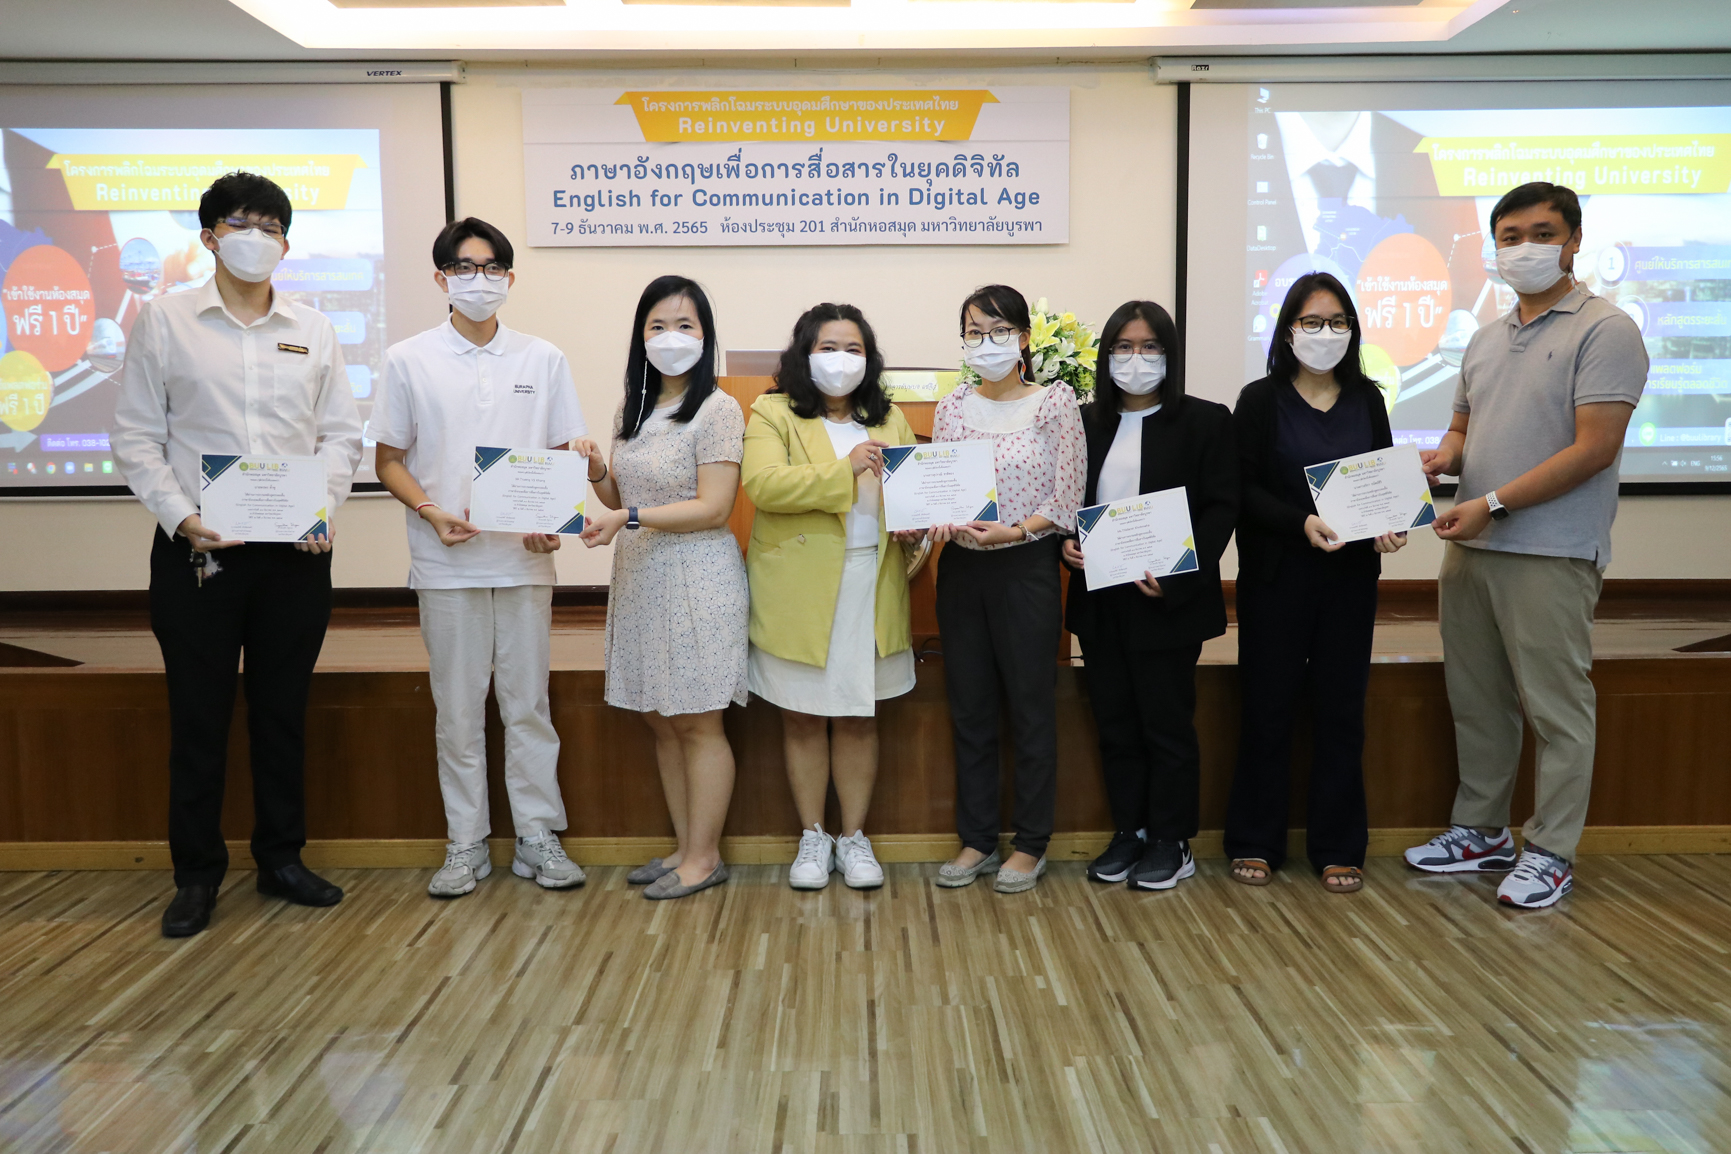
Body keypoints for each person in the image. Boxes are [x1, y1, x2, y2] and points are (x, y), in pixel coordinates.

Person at [110, 172, 362, 938]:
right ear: (209, 237)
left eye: (271, 226)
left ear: (286, 242)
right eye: (240, 224)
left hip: (295, 553)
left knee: (282, 714)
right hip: (199, 552)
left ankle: (281, 859)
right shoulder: (165, 321)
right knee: (199, 719)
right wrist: (181, 517)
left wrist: (322, 505)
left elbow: (340, 435)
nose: (257, 238)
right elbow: (135, 435)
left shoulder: (312, 328)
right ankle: (196, 876)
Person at [1405, 182, 1646, 909]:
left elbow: (1594, 448)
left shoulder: (1606, 330)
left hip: (1550, 552)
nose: (1524, 249)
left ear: (1573, 241)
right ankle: (1481, 831)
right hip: (1472, 551)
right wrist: (1444, 457)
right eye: (1509, 237)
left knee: (1556, 712)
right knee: (1477, 702)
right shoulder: (1485, 337)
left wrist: (1492, 503)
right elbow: (1461, 428)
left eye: (1542, 234)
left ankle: (1550, 851)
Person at [371, 217, 594, 899]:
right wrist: (430, 511)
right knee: (459, 712)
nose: (479, 279)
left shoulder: (543, 358)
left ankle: (536, 835)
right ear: (441, 278)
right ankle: (465, 842)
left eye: (492, 267)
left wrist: (551, 521)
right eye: (464, 268)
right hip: (446, 564)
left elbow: (560, 455)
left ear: (510, 278)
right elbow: (388, 459)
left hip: (524, 563)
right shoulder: (407, 359)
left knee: (528, 707)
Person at [1223, 272, 1407, 894]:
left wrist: (1389, 527)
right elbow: (1242, 489)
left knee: (1341, 712)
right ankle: (1255, 840)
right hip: (1276, 577)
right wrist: (1300, 522)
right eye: (1310, 322)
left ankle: (1338, 845)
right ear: (1287, 331)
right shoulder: (1259, 400)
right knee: (1267, 708)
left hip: (1349, 579)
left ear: (1352, 331)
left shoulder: (1367, 400)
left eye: (1336, 322)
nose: (1324, 333)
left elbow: (1383, 484)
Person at [579, 276, 747, 900]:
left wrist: (629, 517)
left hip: (698, 578)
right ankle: (684, 847)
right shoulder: (633, 407)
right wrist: (598, 468)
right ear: (640, 336)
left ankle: (705, 858)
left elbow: (713, 507)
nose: (670, 337)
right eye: (657, 326)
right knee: (663, 721)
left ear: (705, 336)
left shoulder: (719, 409)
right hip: (642, 576)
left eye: (685, 326)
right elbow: (619, 497)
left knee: (699, 724)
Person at [741, 303, 918, 891]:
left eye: (854, 349)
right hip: (800, 589)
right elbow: (764, 484)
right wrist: (845, 469)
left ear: (869, 360)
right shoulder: (771, 411)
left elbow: (911, 494)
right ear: (804, 354)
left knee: (860, 716)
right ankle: (813, 836)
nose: (841, 360)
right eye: (828, 348)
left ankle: (854, 837)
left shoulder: (890, 418)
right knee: (801, 716)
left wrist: (915, 524)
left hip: (873, 581)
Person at [1062, 301, 1237, 892]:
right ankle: (1129, 831)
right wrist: (1065, 544)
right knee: (1115, 723)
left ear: (1170, 354)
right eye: (1123, 347)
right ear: (1106, 356)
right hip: (1101, 599)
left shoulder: (1205, 420)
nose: (1135, 359)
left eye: (1150, 347)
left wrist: (1179, 574)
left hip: (1168, 601)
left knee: (1166, 724)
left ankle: (1171, 839)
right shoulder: (1084, 422)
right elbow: (1065, 501)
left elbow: (1220, 508)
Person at [929, 285, 1086, 894]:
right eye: (974, 332)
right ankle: (976, 839)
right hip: (962, 571)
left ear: (1023, 338)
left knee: (1030, 708)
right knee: (970, 709)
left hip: (1026, 567)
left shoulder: (1055, 402)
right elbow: (938, 486)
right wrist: (932, 519)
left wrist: (1015, 531)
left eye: (998, 331)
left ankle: (1031, 842)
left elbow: (1067, 499)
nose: (986, 343)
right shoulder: (951, 407)